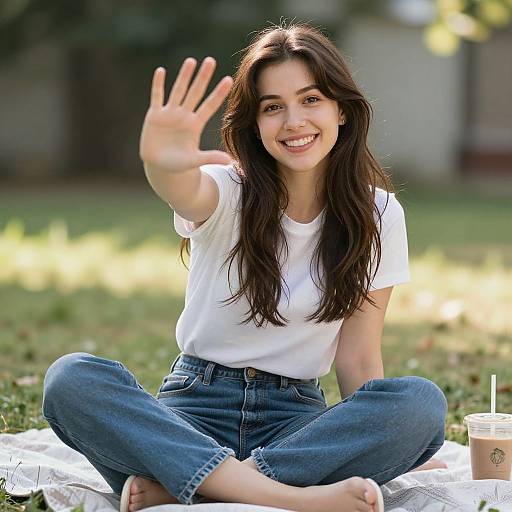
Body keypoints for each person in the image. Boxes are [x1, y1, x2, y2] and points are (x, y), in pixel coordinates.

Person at [41, 21, 448, 512]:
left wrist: (386, 432)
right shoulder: (226, 188)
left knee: (420, 406)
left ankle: (193, 485)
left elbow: (359, 360)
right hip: (193, 408)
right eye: (272, 107)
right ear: (255, 124)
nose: (294, 121)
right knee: (71, 380)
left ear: (342, 109)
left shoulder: (379, 214)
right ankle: (288, 497)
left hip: (294, 422)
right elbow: (184, 189)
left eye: (311, 99)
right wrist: (161, 164)